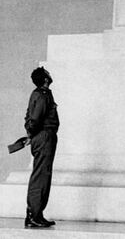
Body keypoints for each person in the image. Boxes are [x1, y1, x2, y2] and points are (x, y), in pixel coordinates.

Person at [24, 67, 59, 228]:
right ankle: (34, 215)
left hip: (44, 136)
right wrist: (31, 134)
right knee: (41, 176)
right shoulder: (42, 95)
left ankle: (36, 214)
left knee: (43, 175)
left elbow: (30, 116)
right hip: (44, 136)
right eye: (47, 73)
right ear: (45, 79)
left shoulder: (41, 94)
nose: (50, 75)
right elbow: (35, 119)